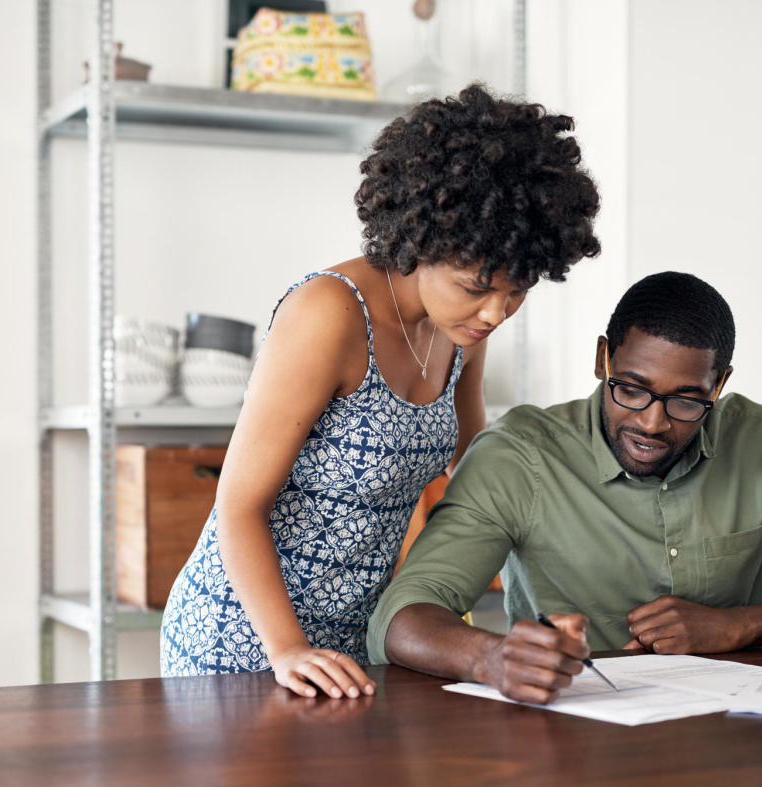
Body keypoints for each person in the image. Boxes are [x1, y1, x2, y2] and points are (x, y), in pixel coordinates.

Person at [159, 84, 602, 699]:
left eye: (518, 289)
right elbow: (237, 505)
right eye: (478, 286)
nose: (498, 311)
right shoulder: (330, 314)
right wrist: (287, 648)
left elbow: (475, 474)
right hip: (245, 636)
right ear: (420, 241)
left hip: (357, 640)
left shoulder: (462, 327)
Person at [367, 271, 762, 704]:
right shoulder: (520, 455)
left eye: (687, 399)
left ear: (720, 384)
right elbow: (402, 618)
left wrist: (740, 625)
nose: (654, 423)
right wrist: (491, 658)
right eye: (632, 389)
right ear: (602, 359)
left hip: (727, 731)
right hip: (565, 734)